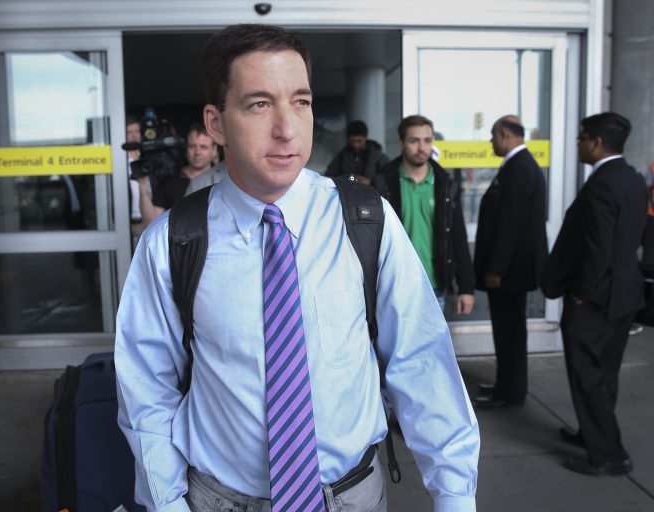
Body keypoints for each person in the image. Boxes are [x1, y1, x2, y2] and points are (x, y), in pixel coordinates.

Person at [115, 23, 479, 512]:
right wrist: (168, 504)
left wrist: (455, 496)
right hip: (222, 501)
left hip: (354, 497)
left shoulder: (365, 220)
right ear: (216, 122)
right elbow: (146, 388)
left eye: (301, 102)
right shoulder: (173, 241)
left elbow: (421, 361)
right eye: (259, 104)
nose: (287, 128)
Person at [540, 112, 646, 476]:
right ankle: (592, 434)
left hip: (596, 298)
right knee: (605, 373)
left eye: (582, 138)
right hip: (624, 295)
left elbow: (597, 248)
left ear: (596, 143)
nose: (579, 144)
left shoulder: (602, 183)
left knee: (588, 375)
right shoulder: (632, 179)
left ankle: (609, 455)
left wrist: (582, 293)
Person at [472, 115, 548, 408]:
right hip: (511, 271)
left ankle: (510, 393)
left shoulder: (519, 168)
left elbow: (510, 224)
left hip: (509, 273)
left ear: (504, 134)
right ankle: (506, 385)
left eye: (493, 136)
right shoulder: (521, 166)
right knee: (508, 332)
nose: (491, 141)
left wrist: (496, 269)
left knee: (510, 334)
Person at [372, 115, 475, 316]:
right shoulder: (382, 183)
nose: (422, 147)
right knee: (396, 348)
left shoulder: (446, 184)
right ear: (401, 144)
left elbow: (458, 237)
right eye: (414, 141)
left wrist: (466, 287)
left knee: (434, 347)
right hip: (394, 287)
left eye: (427, 141)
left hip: (435, 287)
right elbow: (369, 239)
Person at [139, 122, 217, 223]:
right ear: (185, 148)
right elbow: (152, 222)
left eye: (203, 147)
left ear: (214, 150)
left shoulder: (224, 178)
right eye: (192, 146)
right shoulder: (170, 179)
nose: (197, 152)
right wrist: (142, 185)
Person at [325, 120, 389, 185]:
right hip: (348, 192)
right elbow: (329, 176)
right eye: (353, 141)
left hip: (372, 193)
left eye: (359, 141)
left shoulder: (378, 156)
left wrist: (371, 182)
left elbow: (388, 178)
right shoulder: (342, 156)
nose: (356, 144)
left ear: (365, 138)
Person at [125, 116, 144, 229]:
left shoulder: (147, 159)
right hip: (125, 222)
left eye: (137, 131)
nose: (134, 135)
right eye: (129, 132)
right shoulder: (118, 163)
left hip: (147, 221)